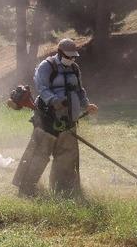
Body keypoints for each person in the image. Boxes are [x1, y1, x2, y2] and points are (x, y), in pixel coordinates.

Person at [12, 39, 98, 198]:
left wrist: (86, 104)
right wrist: (54, 101)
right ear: (60, 53)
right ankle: (26, 188)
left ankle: (64, 189)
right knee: (39, 154)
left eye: (74, 57)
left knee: (67, 155)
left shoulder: (75, 68)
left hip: (69, 119)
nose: (72, 59)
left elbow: (80, 90)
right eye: (68, 56)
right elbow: (41, 87)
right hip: (48, 118)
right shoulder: (47, 66)